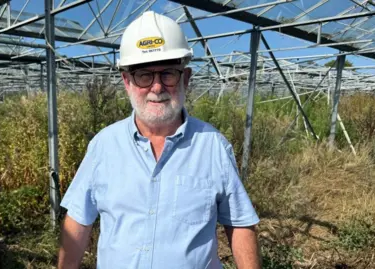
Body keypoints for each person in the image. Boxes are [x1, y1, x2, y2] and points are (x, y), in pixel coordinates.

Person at [58, 11, 261, 269]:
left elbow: (240, 223)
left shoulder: (213, 146)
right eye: (144, 75)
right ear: (127, 82)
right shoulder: (104, 145)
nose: (156, 87)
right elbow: (78, 219)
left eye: (168, 74)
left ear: (185, 79)